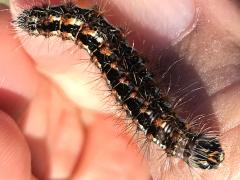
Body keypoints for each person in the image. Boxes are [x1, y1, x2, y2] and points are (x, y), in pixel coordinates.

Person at [0, 0, 239, 179]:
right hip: (171, 134)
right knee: (112, 58)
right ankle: (184, 145)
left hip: (172, 134)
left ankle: (185, 145)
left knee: (116, 64)